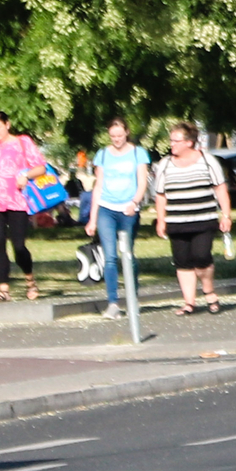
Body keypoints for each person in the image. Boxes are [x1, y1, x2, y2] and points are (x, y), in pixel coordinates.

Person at [152, 122, 232, 314]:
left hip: (203, 219)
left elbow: (220, 189)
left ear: (189, 142)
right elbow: (160, 195)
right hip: (177, 222)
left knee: (201, 256)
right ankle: (189, 302)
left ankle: (208, 290)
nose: (172, 144)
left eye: (176, 141)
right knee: (182, 261)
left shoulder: (207, 161)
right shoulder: (165, 165)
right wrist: (161, 220)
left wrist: (226, 215)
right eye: (171, 140)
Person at [83, 116, 152, 319]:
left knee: (127, 255)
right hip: (107, 208)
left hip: (128, 210)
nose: (117, 139)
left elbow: (142, 183)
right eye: (113, 136)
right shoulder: (103, 155)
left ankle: (133, 298)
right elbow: (98, 186)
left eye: (120, 135)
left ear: (127, 133)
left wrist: (134, 202)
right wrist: (92, 218)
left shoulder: (138, 153)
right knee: (110, 257)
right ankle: (113, 302)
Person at [0, 108, 47, 303]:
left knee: (19, 245)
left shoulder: (22, 143)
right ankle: (3, 290)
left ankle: (30, 280)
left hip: (18, 201)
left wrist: (26, 175)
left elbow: (40, 167)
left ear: (7, 124)